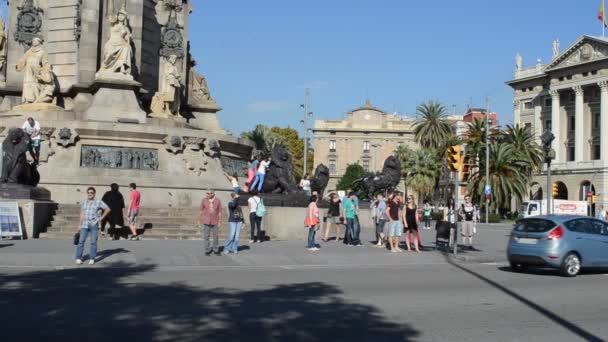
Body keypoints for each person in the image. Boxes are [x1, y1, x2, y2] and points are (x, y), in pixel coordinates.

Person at [75, 187, 111, 265]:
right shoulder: (84, 202)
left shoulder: (98, 202)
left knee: (93, 242)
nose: (89, 194)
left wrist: (101, 218)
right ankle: (78, 257)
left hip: (94, 224)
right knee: (81, 241)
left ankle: (92, 258)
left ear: (94, 193)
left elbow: (108, 209)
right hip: (84, 224)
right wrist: (79, 225)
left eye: (91, 192)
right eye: (88, 192)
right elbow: (82, 214)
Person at [199, 189, 222, 255]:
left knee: (216, 236)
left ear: (213, 194)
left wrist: (220, 221)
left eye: (209, 193)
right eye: (207, 193)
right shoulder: (204, 200)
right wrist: (199, 219)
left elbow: (220, 211)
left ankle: (216, 249)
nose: (208, 195)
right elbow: (201, 210)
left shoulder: (218, 200)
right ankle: (207, 250)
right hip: (206, 220)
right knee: (206, 236)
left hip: (215, 221)